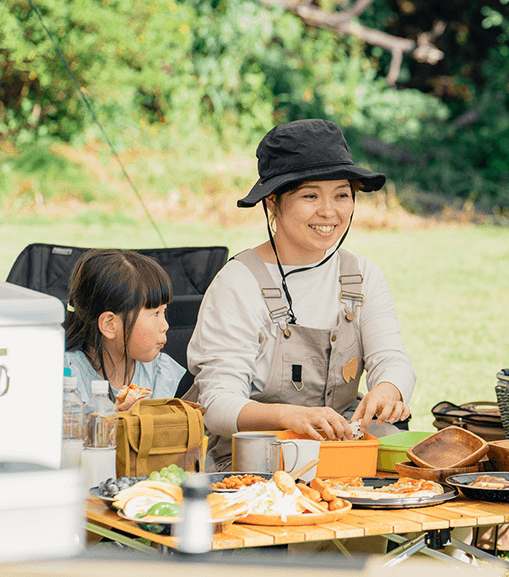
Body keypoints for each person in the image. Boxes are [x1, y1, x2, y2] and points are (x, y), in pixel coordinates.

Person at [186, 118, 416, 471]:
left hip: (342, 455)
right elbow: (217, 406)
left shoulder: (362, 275)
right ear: (273, 204)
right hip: (252, 463)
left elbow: (393, 360)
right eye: (310, 196)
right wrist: (289, 417)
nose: (329, 211)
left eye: (342, 195)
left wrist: (388, 390)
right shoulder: (238, 283)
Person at [64, 248, 186, 407]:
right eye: (155, 313)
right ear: (110, 325)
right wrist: (114, 420)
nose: (165, 325)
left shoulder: (160, 372)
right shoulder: (67, 375)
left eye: (164, 312)